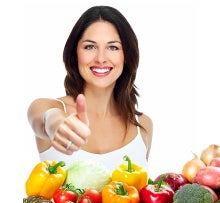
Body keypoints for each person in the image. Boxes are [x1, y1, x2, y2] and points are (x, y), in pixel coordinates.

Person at [27, 5, 153, 171]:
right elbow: (44, 119)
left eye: (113, 47)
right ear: (75, 53)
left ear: (126, 56)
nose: (101, 58)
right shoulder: (48, 107)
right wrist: (56, 123)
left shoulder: (142, 125)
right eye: (90, 46)